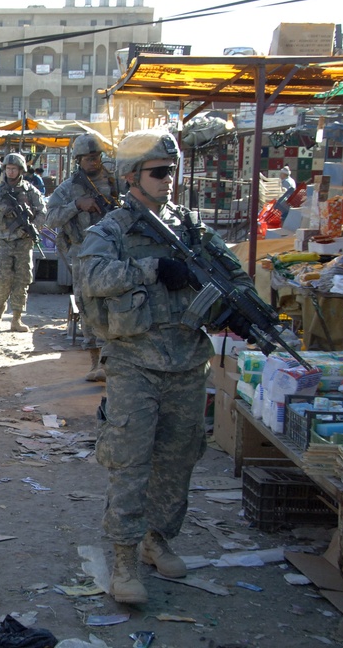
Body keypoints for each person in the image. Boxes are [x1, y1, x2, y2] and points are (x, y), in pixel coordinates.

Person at [78, 128, 255, 605]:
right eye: (159, 172)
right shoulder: (111, 229)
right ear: (133, 176)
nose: (168, 180)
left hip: (187, 362)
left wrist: (240, 310)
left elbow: (233, 273)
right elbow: (89, 277)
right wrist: (152, 268)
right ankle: (124, 558)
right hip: (135, 363)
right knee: (131, 463)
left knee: (179, 460)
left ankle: (159, 539)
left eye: (172, 172)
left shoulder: (189, 227)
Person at [45, 134, 121, 382]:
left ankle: (112, 361)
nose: (94, 162)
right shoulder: (68, 189)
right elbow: (51, 218)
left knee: (115, 305)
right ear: (78, 159)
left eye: (97, 156)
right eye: (89, 158)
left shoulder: (114, 183)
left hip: (113, 254)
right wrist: (77, 205)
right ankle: (94, 360)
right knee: (88, 307)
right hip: (82, 254)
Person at [0, 153, 48, 333]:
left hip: (24, 242)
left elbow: (43, 213)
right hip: (3, 241)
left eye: (14, 169)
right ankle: (0, 305)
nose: (10, 171)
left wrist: (32, 228)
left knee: (22, 280)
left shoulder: (31, 192)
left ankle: (16, 318)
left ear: (21, 170)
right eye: (8, 168)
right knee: (1, 278)